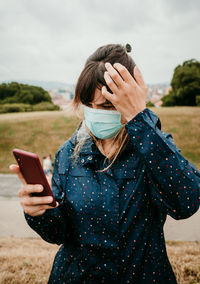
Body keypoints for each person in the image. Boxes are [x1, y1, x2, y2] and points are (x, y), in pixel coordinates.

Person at [10, 44, 200, 283]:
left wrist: (139, 118)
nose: (95, 113)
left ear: (129, 100)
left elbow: (187, 201)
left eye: (108, 106)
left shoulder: (152, 147)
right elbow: (59, 233)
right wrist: (38, 213)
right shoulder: (68, 154)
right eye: (89, 105)